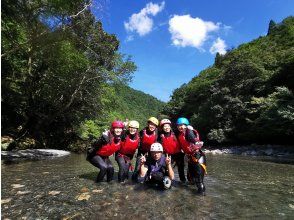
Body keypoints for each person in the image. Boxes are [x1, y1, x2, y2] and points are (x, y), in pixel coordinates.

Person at [176, 117, 207, 194]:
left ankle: (201, 198)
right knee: (191, 179)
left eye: (182, 125)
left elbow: (192, 138)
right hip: (190, 158)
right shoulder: (180, 135)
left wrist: (195, 141)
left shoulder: (190, 131)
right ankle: (191, 196)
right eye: (179, 125)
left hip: (198, 156)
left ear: (186, 125)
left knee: (199, 180)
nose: (181, 127)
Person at [158, 119, 186, 183]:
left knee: (181, 169)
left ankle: (183, 181)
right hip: (168, 155)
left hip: (178, 154)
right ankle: (167, 181)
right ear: (162, 128)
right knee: (167, 169)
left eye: (168, 126)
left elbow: (183, 131)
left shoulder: (176, 133)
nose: (167, 128)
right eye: (165, 126)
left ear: (170, 126)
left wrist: (189, 128)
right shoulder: (160, 135)